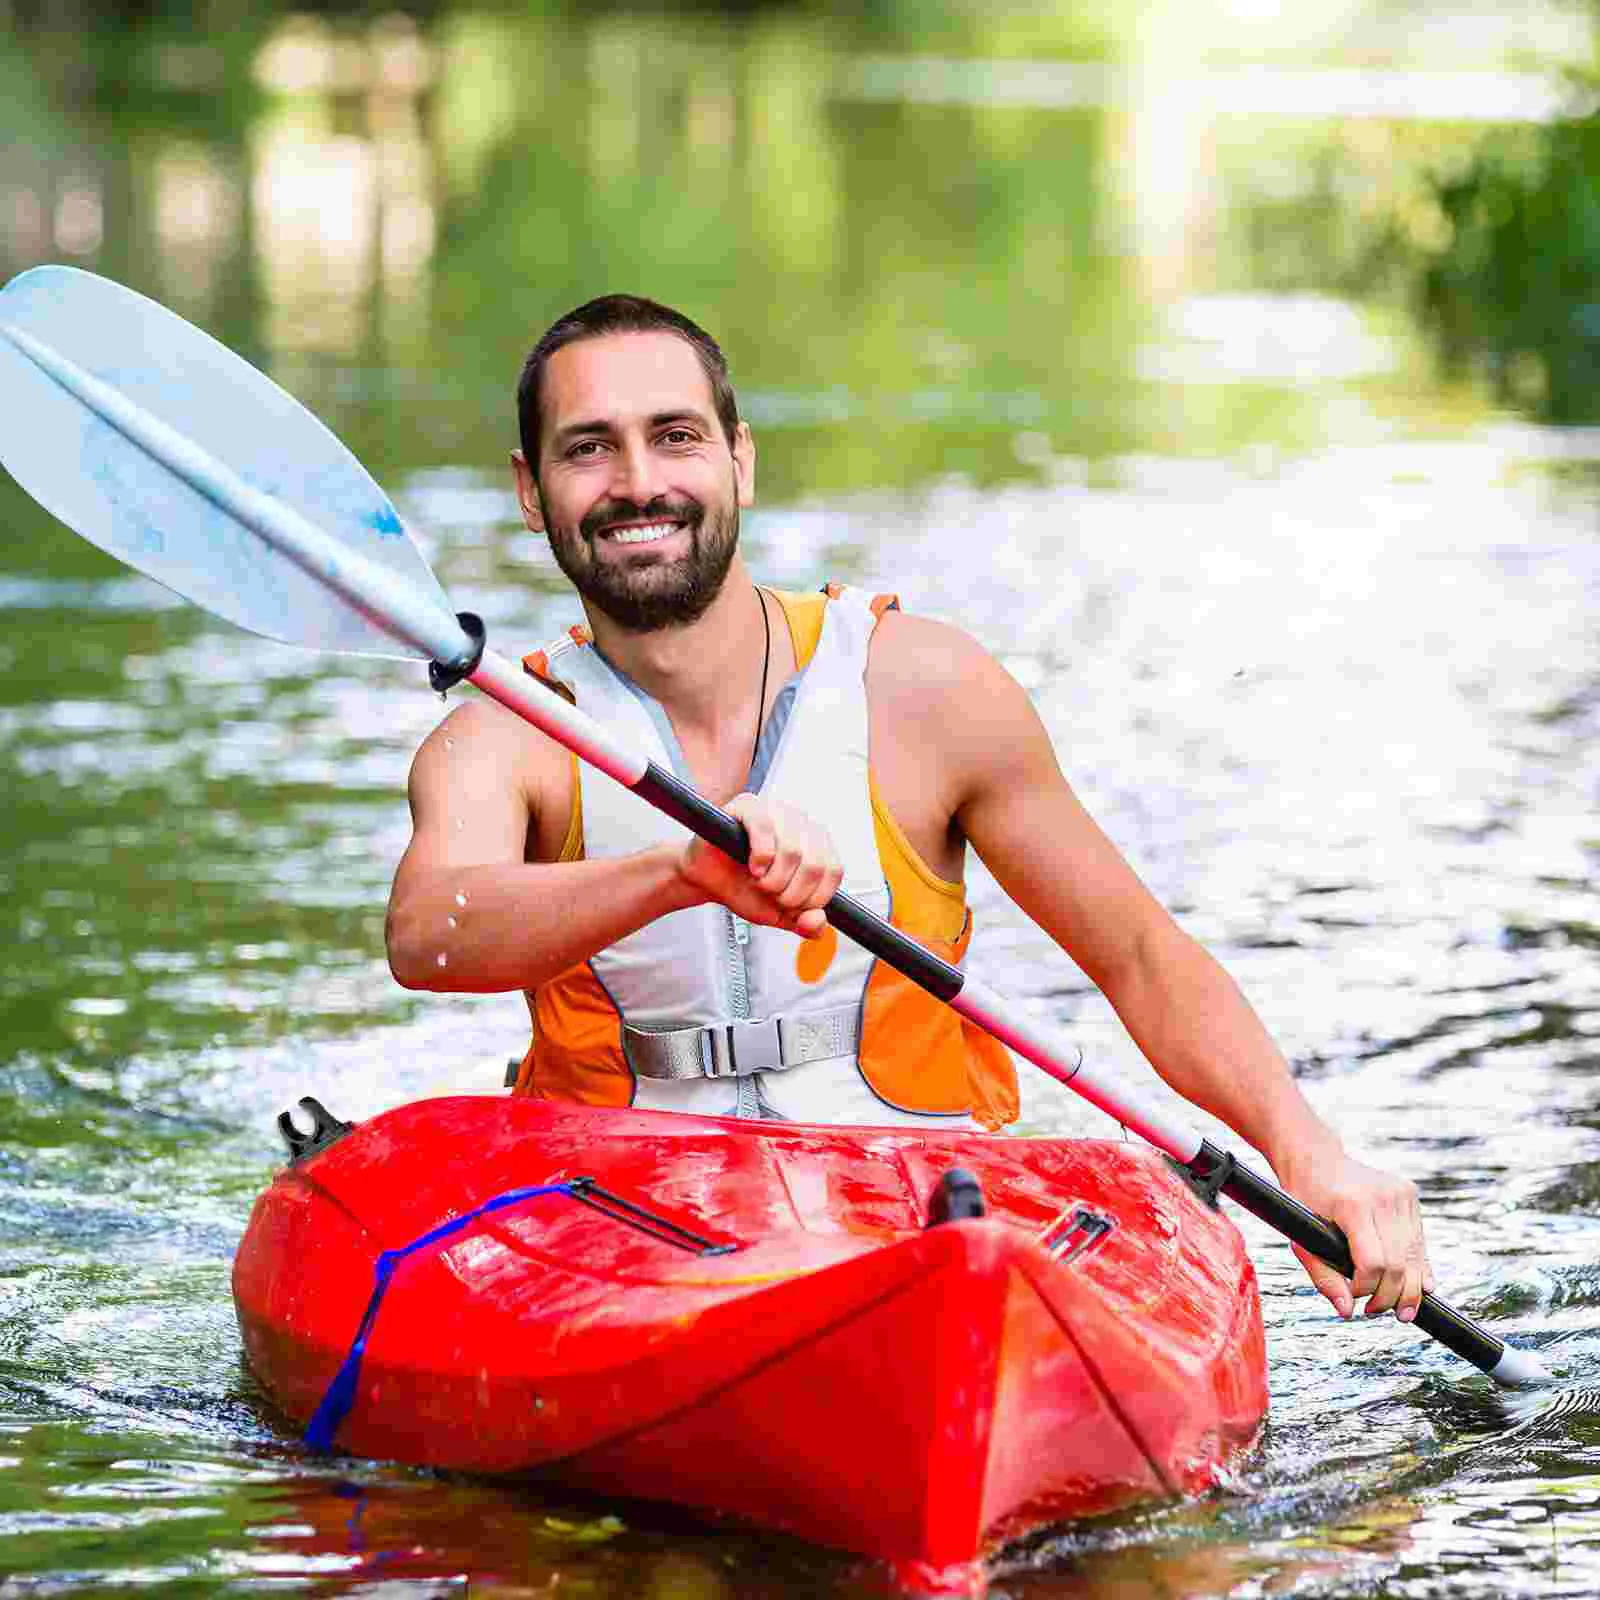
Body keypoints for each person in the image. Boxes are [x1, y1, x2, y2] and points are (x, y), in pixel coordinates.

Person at [386, 294, 1433, 1325]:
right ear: (530, 490)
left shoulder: (922, 689)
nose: (639, 482)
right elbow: (427, 937)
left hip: (918, 1217)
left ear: (740, 459)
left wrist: (1311, 1156)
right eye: (588, 449)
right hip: (625, 1230)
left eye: (674, 437)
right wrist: (672, 872)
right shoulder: (506, 736)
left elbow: (1138, 958)